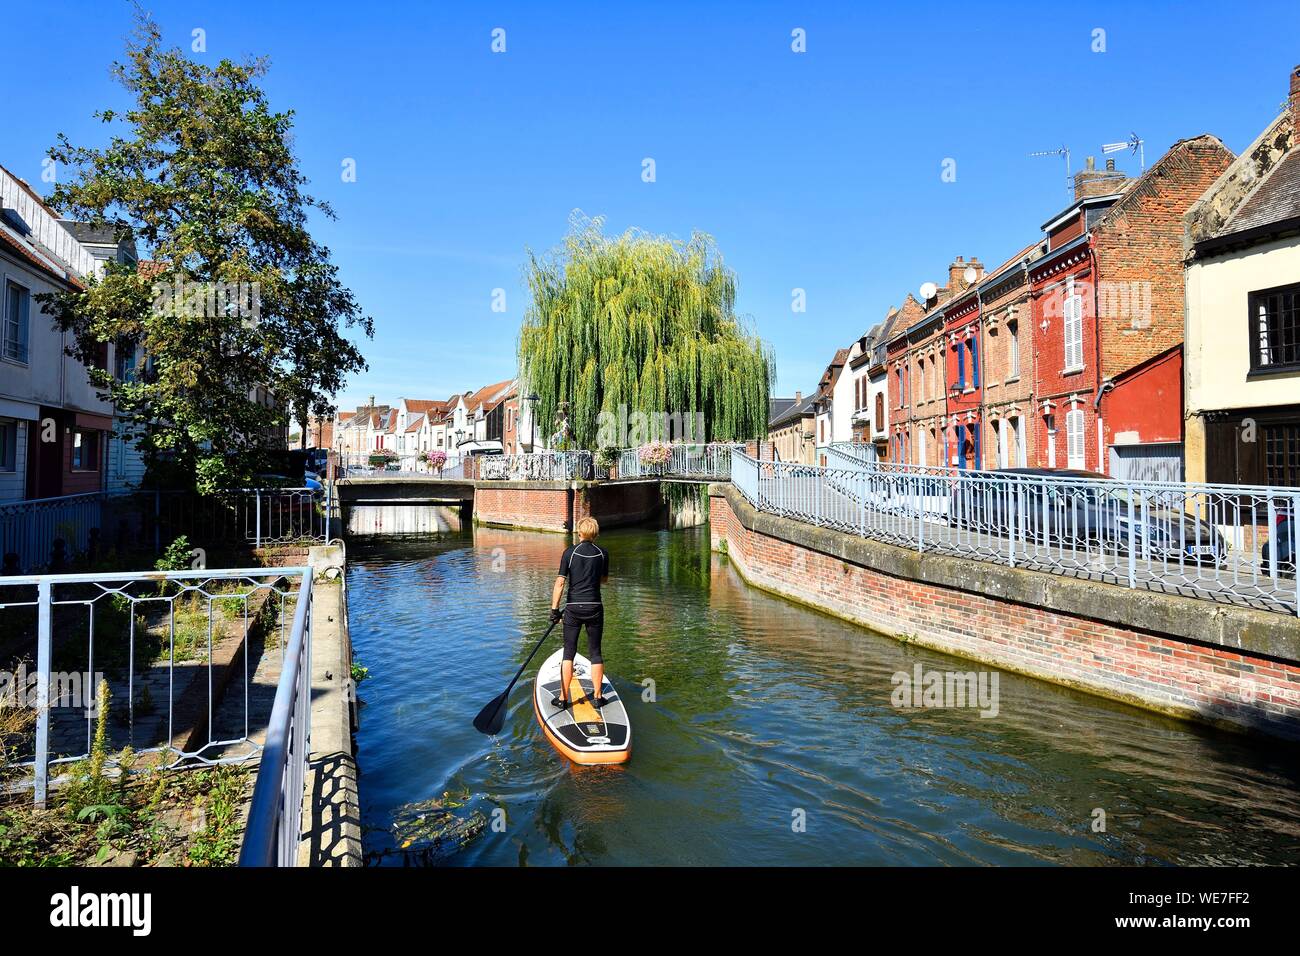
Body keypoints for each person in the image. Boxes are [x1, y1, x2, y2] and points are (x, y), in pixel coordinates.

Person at [549, 516, 610, 709]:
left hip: (574, 608)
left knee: (569, 652)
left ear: (579, 532)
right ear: (596, 533)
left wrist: (554, 611)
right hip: (594, 607)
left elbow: (560, 582)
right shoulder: (603, 554)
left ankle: (563, 698)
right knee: (595, 652)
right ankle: (598, 697)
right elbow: (604, 580)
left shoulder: (570, 553)